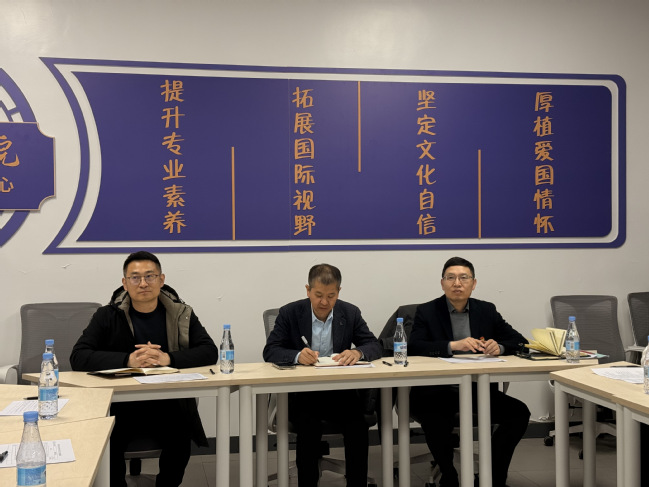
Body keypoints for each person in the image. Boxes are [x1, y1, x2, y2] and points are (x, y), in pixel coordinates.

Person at [70, 251, 218, 487]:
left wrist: (168, 358)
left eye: (150, 276)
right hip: (120, 403)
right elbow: (78, 356)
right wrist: (128, 360)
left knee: (181, 436)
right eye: (135, 277)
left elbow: (209, 351)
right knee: (108, 439)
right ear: (125, 283)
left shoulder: (181, 313)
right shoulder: (107, 315)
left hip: (167, 401)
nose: (143, 283)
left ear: (161, 279)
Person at [409, 256, 530, 487]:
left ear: (473, 284)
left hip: (477, 390)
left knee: (518, 413)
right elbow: (414, 346)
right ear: (442, 283)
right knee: (435, 418)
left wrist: (499, 347)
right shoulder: (427, 311)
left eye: (464, 278)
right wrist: (453, 346)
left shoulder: (486, 310)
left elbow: (520, 341)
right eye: (451, 278)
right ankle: (449, 477)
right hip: (435, 391)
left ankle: (492, 478)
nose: (457, 283)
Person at [263, 263, 382, 487]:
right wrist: (297, 356)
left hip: (340, 392)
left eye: (331, 296)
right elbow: (271, 350)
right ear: (308, 290)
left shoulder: (350, 312)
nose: (324, 302)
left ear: (339, 292)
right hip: (303, 393)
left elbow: (374, 345)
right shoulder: (290, 313)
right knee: (309, 427)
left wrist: (358, 352)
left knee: (357, 427)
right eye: (318, 295)